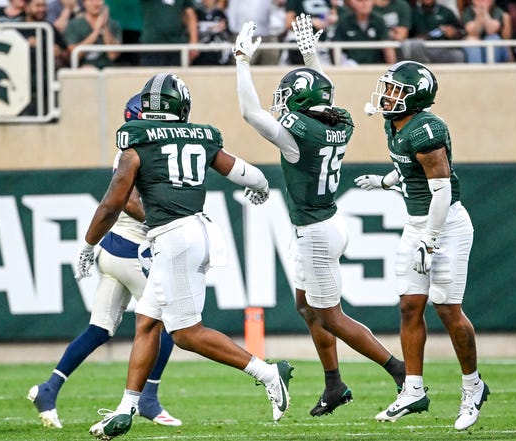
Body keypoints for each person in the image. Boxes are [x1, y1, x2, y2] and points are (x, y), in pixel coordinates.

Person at [83, 72, 292, 440]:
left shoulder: (137, 140)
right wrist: (260, 186)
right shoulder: (202, 136)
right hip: (191, 233)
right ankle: (126, 408)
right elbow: (243, 171)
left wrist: (88, 243)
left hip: (175, 237)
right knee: (147, 322)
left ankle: (268, 373)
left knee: (185, 333)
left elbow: (113, 201)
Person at [233, 15, 405, 417]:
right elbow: (323, 91)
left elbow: (249, 112)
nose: (281, 104)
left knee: (332, 316)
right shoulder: (339, 121)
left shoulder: (299, 137)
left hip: (314, 231)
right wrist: (311, 55)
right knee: (307, 307)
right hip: (326, 223)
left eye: (286, 97)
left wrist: (241, 60)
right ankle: (334, 384)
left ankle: (400, 372)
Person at [26, 94, 181, 430]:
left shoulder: (146, 149)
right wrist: (167, 220)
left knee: (100, 328)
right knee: (168, 321)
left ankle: (48, 388)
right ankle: (148, 399)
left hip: (114, 250)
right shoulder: (135, 153)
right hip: (132, 249)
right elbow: (126, 202)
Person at [356, 60, 489, 430]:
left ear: (416, 98)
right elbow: (406, 171)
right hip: (417, 223)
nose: (387, 95)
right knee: (409, 306)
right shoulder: (395, 124)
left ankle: (473, 387)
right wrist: (384, 183)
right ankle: (413, 389)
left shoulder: (427, 130)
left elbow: (442, 192)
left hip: (445, 226)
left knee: (447, 310)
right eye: (387, 87)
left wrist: (429, 241)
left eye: (396, 89)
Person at [333, 0, 397, 65]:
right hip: (350, 68)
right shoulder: (344, 21)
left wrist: (392, 70)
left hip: (375, 67)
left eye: (367, 0)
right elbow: (336, 47)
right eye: (360, 1)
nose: (364, 4)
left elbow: (387, 47)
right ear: (353, 2)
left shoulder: (379, 20)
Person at [64, 0, 122, 69]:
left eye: (99, 0)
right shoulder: (73, 24)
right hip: (83, 70)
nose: (96, 3)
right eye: (91, 0)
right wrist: (96, 32)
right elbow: (74, 55)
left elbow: (113, 55)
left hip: (108, 69)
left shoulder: (114, 24)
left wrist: (105, 26)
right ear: (84, 3)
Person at [138, 0, 198, 66]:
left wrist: (193, 42)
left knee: (176, 75)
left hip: (177, 44)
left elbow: (190, 15)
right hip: (152, 44)